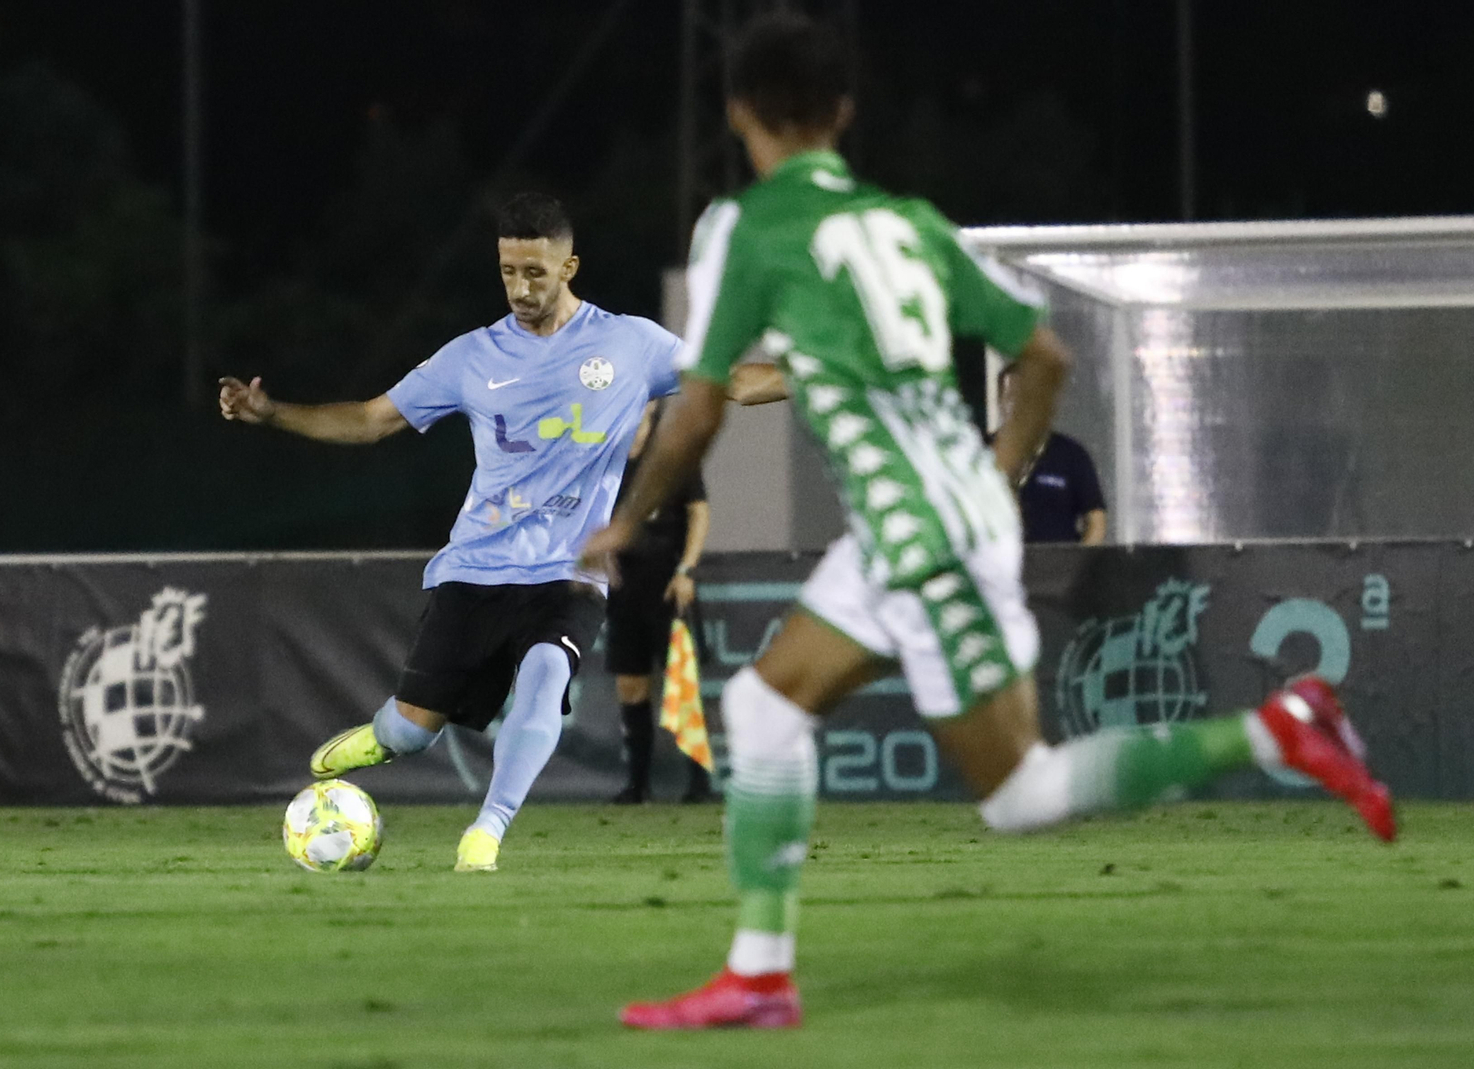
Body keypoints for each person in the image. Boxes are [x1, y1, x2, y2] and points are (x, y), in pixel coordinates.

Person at [580, 13, 1394, 1030]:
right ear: (842, 112)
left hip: (921, 542)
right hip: (913, 525)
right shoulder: (913, 224)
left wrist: (630, 518)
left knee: (1020, 795)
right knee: (762, 710)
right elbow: (1044, 357)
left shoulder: (747, 227)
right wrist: (997, 470)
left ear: (738, 111)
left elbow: (699, 408)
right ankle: (758, 974)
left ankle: (1277, 727)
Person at [219, 193, 762, 873]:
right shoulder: (472, 357)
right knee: (415, 731)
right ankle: (386, 734)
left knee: (544, 675)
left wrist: (830, 369)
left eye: (535, 272)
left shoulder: (630, 343)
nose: (521, 288)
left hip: (569, 570)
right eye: (508, 272)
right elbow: (370, 419)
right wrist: (273, 414)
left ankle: (486, 833)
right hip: (474, 569)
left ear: (570, 266)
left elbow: (733, 380)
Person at [606, 398, 713, 804]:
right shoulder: (608, 453)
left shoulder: (673, 453)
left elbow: (700, 512)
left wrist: (686, 570)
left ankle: (699, 784)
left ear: (652, 405)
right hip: (625, 588)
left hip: (667, 582)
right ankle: (638, 786)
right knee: (630, 685)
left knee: (681, 683)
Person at [997, 363, 1106, 544]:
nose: (1014, 404)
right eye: (1008, 397)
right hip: (999, 567)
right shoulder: (980, 452)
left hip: (1056, 567)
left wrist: (1076, 568)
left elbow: (1096, 522)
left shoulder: (1071, 455)